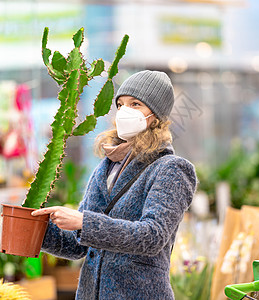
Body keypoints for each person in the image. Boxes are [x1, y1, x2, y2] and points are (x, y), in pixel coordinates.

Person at [32, 70, 197, 299]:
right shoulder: (107, 166)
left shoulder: (171, 169)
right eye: (120, 104)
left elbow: (152, 236)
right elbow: (79, 245)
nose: (124, 111)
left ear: (156, 117)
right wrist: (37, 230)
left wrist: (83, 221)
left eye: (135, 104)